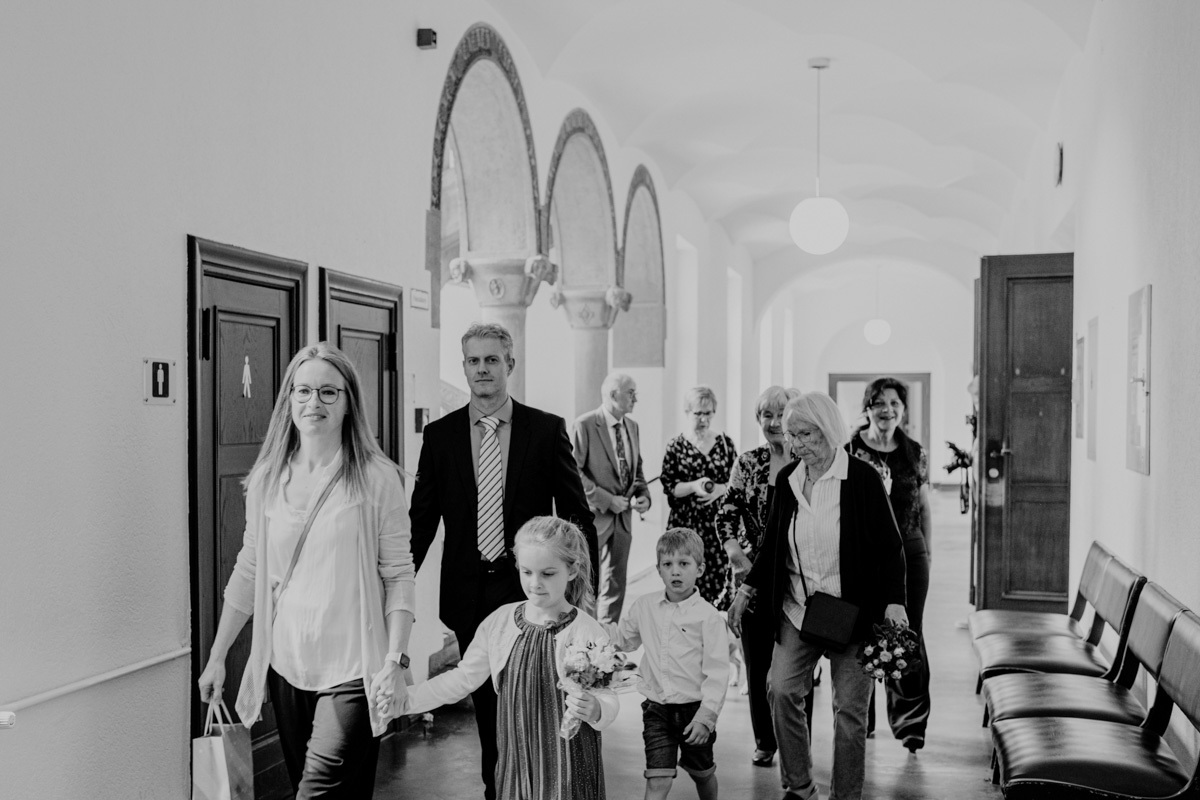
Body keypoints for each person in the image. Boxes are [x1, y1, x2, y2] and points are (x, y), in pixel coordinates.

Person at [197, 342, 415, 799]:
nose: (314, 402)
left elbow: (398, 576)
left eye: (328, 392)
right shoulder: (269, 477)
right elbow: (250, 569)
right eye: (303, 390)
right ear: (289, 399)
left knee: (315, 792)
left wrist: (395, 660)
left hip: (353, 668)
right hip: (288, 665)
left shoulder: (376, 478)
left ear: (349, 402)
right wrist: (218, 656)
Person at [409, 321, 598, 800]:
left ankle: (541, 787)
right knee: (490, 713)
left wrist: (584, 593)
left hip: (532, 592)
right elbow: (421, 522)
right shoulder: (440, 436)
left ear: (509, 364)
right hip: (468, 595)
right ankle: (500, 790)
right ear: (464, 367)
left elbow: (576, 516)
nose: (482, 369)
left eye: (492, 359)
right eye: (473, 361)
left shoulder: (546, 429)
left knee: (537, 706)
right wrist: (396, 594)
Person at [728, 392, 908, 800]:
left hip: (854, 613)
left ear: (827, 430)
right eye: (791, 435)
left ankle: (845, 795)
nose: (795, 443)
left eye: (804, 434)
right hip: (800, 608)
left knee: (850, 712)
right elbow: (773, 543)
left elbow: (890, 548)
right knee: (781, 690)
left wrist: (895, 601)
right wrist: (745, 590)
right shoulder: (788, 480)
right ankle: (800, 786)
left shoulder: (861, 479)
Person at [397, 516, 618, 800]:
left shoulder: (587, 631)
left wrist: (598, 709)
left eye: (547, 573)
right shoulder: (500, 622)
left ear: (572, 570)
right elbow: (462, 678)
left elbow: (607, 695)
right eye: (527, 572)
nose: (535, 583)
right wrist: (407, 700)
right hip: (518, 758)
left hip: (568, 763)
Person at [605, 527, 730, 800]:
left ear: (699, 569)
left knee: (702, 773)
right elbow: (624, 641)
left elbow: (718, 673)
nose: (675, 571)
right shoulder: (644, 606)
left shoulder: (708, 617)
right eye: (667, 564)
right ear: (658, 570)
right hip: (657, 710)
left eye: (684, 564)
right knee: (657, 778)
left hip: (695, 711)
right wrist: (598, 634)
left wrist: (706, 718)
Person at [714, 386, 799, 768]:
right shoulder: (748, 462)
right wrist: (736, 555)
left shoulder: (808, 460)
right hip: (751, 577)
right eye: (767, 414)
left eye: (782, 414)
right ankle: (765, 740)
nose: (774, 422)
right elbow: (726, 514)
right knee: (757, 662)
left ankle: (797, 741)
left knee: (797, 667)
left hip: (799, 578)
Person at [847, 377, 932, 751]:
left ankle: (910, 723)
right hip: (864, 553)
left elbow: (924, 507)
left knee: (907, 633)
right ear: (867, 408)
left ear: (903, 410)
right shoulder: (850, 450)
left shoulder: (914, 452)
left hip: (910, 550)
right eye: (879, 403)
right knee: (863, 630)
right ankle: (861, 717)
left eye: (895, 403)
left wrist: (928, 552)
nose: (887, 410)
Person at [572, 371, 652, 624]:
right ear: (614, 395)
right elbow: (574, 472)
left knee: (617, 581)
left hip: (624, 518)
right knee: (588, 581)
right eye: (631, 393)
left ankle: (607, 637)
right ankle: (586, 638)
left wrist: (644, 496)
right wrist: (607, 500)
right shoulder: (585, 425)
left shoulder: (633, 427)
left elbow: (637, 469)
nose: (636, 399)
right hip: (595, 517)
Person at [660, 386, 737, 609]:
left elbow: (737, 483)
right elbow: (670, 486)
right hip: (686, 525)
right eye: (698, 413)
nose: (703, 419)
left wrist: (721, 489)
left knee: (718, 583)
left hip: (717, 528)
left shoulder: (725, 444)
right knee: (683, 582)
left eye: (708, 413)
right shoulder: (676, 446)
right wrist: (694, 486)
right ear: (687, 412)